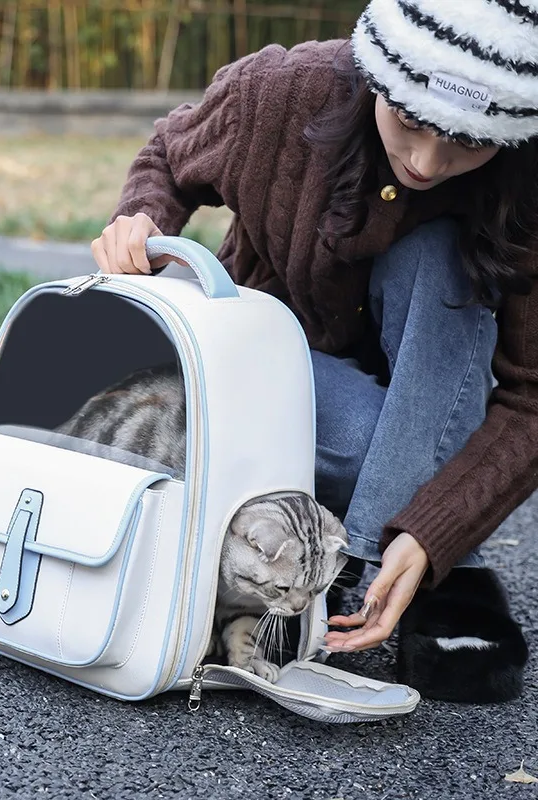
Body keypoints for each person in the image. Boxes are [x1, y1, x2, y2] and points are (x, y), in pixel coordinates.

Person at [91, 0, 535, 703]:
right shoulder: (280, 94)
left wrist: (426, 534)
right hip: (272, 368)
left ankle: (374, 567)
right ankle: (391, 568)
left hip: (426, 402)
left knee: (442, 256)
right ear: (379, 79)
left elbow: (531, 397)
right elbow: (169, 156)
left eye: (464, 145)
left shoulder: (525, 176)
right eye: (410, 124)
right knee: (380, 445)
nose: (424, 162)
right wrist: (141, 218)